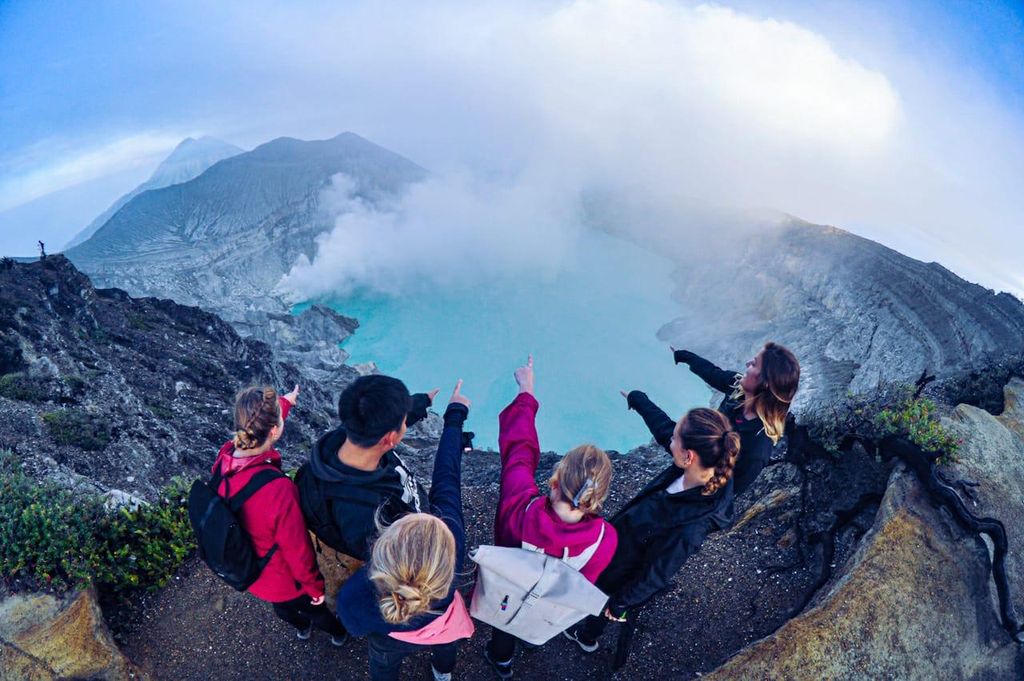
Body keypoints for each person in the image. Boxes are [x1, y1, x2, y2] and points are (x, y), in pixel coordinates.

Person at [564, 404, 739, 652]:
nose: (670, 441)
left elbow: (657, 574)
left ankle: (586, 636)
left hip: (622, 569)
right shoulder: (701, 468)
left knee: (602, 602)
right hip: (620, 545)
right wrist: (639, 400)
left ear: (688, 456)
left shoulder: (689, 530)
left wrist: (621, 604)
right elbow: (664, 429)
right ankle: (588, 630)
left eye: (675, 439)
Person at [484, 356, 617, 679]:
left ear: (554, 481)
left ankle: (501, 661)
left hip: (507, 591)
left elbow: (519, 450)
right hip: (548, 602)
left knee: (503, 623)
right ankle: (531, 639)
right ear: (596, 499)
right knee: (536, 616)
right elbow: (583, 584)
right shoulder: (605, 539)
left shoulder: (520, 507)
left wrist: (526, 391)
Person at [337, 380, 473, 681]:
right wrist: (454, 417)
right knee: (446, 645)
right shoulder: (453, 543)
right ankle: (442, 672)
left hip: (389, 640)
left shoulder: (357, 593)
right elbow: (447, 479)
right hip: (442, 624)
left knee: (383, 667)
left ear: (380, 546)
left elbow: (354, 625)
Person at [210, 385, 346, 645]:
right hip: (283, 578)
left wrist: (285, 402)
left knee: (282, 608)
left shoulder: (226, 454)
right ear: (274, 431)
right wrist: (314, 587)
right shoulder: (277, 490)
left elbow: (260, 425)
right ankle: (338, 635)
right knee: (315, 608)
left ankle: (301, 629)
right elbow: (297, 551)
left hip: (250, 573)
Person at [304, 375, 439, 561]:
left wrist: (421, 401)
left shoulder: (351, 432)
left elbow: (377, 415)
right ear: (389, 439)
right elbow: (389, 562)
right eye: (403, 422)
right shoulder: (361, 517)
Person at [666, 342, 800, 496]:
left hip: (697, 495)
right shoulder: (739, 387)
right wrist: (685, 356)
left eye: (754, 364)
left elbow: (731, 491)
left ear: (765, 383)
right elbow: (713, 373)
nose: (747, 363)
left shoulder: (758, 448)